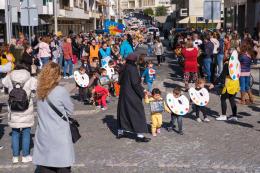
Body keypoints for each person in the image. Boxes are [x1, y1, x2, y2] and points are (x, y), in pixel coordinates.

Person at [33, 62, 75, 173]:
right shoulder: (60, 91)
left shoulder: (39, 91)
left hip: (43, 132)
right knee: (62, 165)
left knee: (45, 164)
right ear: (57, 76)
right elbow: (70, 110)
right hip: (59, 134)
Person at [2, 64, 37, 163]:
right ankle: (25, 156)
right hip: (26, 109)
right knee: (26, 132)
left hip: (13, 110)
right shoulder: (29, 78)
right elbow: (36, 86)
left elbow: (3, 82)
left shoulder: (10, 77)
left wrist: (8, 74)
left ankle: (15, 157)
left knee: (15, 133)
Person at [117, 53, 151, 142]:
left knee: (123, 112)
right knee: (137, 112)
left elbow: (119, 81)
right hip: (132, 94)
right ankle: (139, 136)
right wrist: (143, 92)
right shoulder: (132, 69)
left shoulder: (124, 67)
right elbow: (135, 84)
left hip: (124, 93)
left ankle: (120, 132)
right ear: (134, 61)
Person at [214, 55, 240, 121]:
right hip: (235, 83)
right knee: (232, 99)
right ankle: (234, 116)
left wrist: (214, 83)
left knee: (223, 98)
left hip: (229, 84)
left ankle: (223, 115)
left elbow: (222, 75)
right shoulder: (237, 63)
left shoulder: (227, 64)